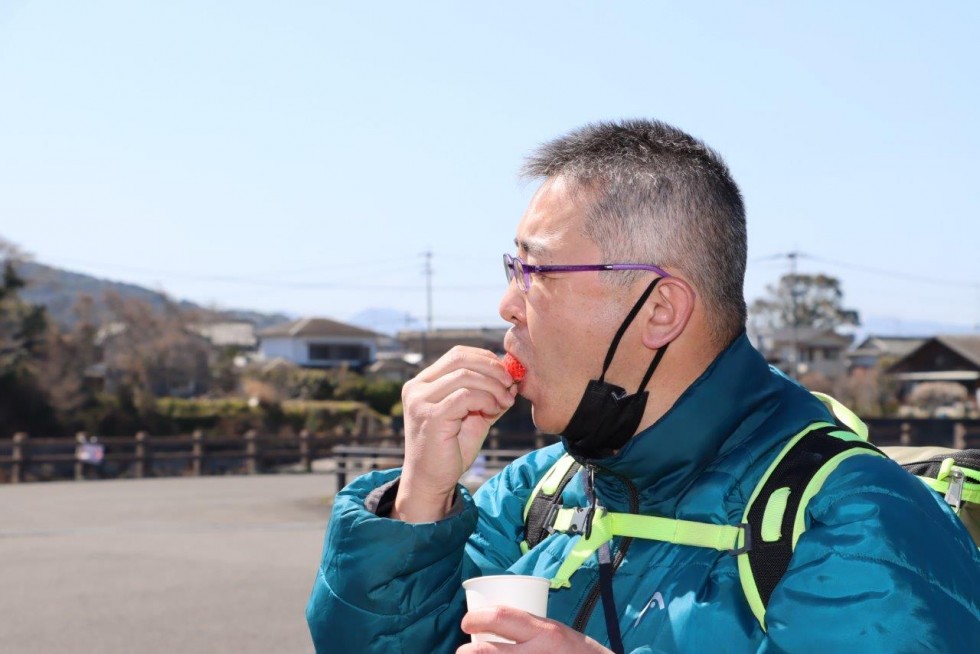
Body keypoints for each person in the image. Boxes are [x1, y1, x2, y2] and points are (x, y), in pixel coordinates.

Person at [306, 119, 980, 653]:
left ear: (660, 311)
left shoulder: (854, 518)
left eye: (534, 273)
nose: (508, 305)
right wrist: (419, 500)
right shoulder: (541, 492)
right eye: (510, 267)